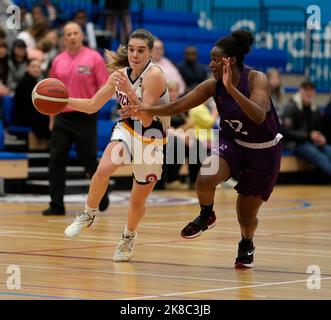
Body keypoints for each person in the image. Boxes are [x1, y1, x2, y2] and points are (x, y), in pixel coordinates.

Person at [123, 29, 282, 268]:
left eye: (215, 60)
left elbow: (259, 116)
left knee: (246, 214)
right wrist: (146, 110)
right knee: (205, 176)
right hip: (234, 144)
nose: (210, 65)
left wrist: (232, 90)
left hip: (263, 150)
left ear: (231, 60)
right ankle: (207, 214)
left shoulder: (255, 79)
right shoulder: (212, 85)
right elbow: (178, 105)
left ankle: (246, 242)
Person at [64, 29, 170, 262]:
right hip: (128, 131)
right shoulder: (120, 75)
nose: (134, 54)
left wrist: (131, 93)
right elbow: (93, 105)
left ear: (150, 53)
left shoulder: (155, 75)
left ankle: (128, 237)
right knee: (102, 170)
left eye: (141, 50)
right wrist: (63, 101)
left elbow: (147, 119)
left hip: (152, 138)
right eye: (131, 49)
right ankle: (88, 214)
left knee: (136, 201)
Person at [42, 22, 110, 216]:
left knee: (88, 159)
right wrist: (51, 117)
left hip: (85, 115)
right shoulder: (58, 60)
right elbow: (51, 93)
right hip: (62, 116)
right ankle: (56, 204)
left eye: (75, 33)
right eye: (68, 34)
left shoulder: (94, 58)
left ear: (82, 36)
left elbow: (105, 87)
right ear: (64, 38)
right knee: (56, 159)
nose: (72, 36)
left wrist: (94, 107)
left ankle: (102, 194)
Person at [281, 79, 331, 179]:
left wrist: (321, 137)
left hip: (310, 142)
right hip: (295, 144)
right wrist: (309, 135)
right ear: (301, 91)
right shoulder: (291, 107)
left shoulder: (315, 109)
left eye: (311, 90)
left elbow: (318, 129)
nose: (309, 93)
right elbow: (285, 131)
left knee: (329, 150)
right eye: (306, 90)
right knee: (319, 156)